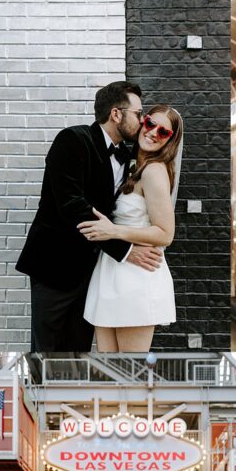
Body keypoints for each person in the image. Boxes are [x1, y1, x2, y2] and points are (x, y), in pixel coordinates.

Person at [16, 82, 166, 352]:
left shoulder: (131, 156)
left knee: (79, 352)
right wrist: (125, 250)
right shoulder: (73, 139)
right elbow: (72, 206)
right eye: (138, 113)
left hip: (92, 272)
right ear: (116, 114)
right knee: (47, 353)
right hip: (54, 267)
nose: (143, 122)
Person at [78, 104, 182, 352]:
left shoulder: (155, 171)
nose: (154, 132)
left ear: (170, 141)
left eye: (164, 132)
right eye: (150, 123)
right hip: (112, 270)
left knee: (129, 372)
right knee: (109, 369)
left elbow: (166, 233)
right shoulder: (134, 167)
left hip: (136, 276)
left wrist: (114, 231)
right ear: (142, 122)